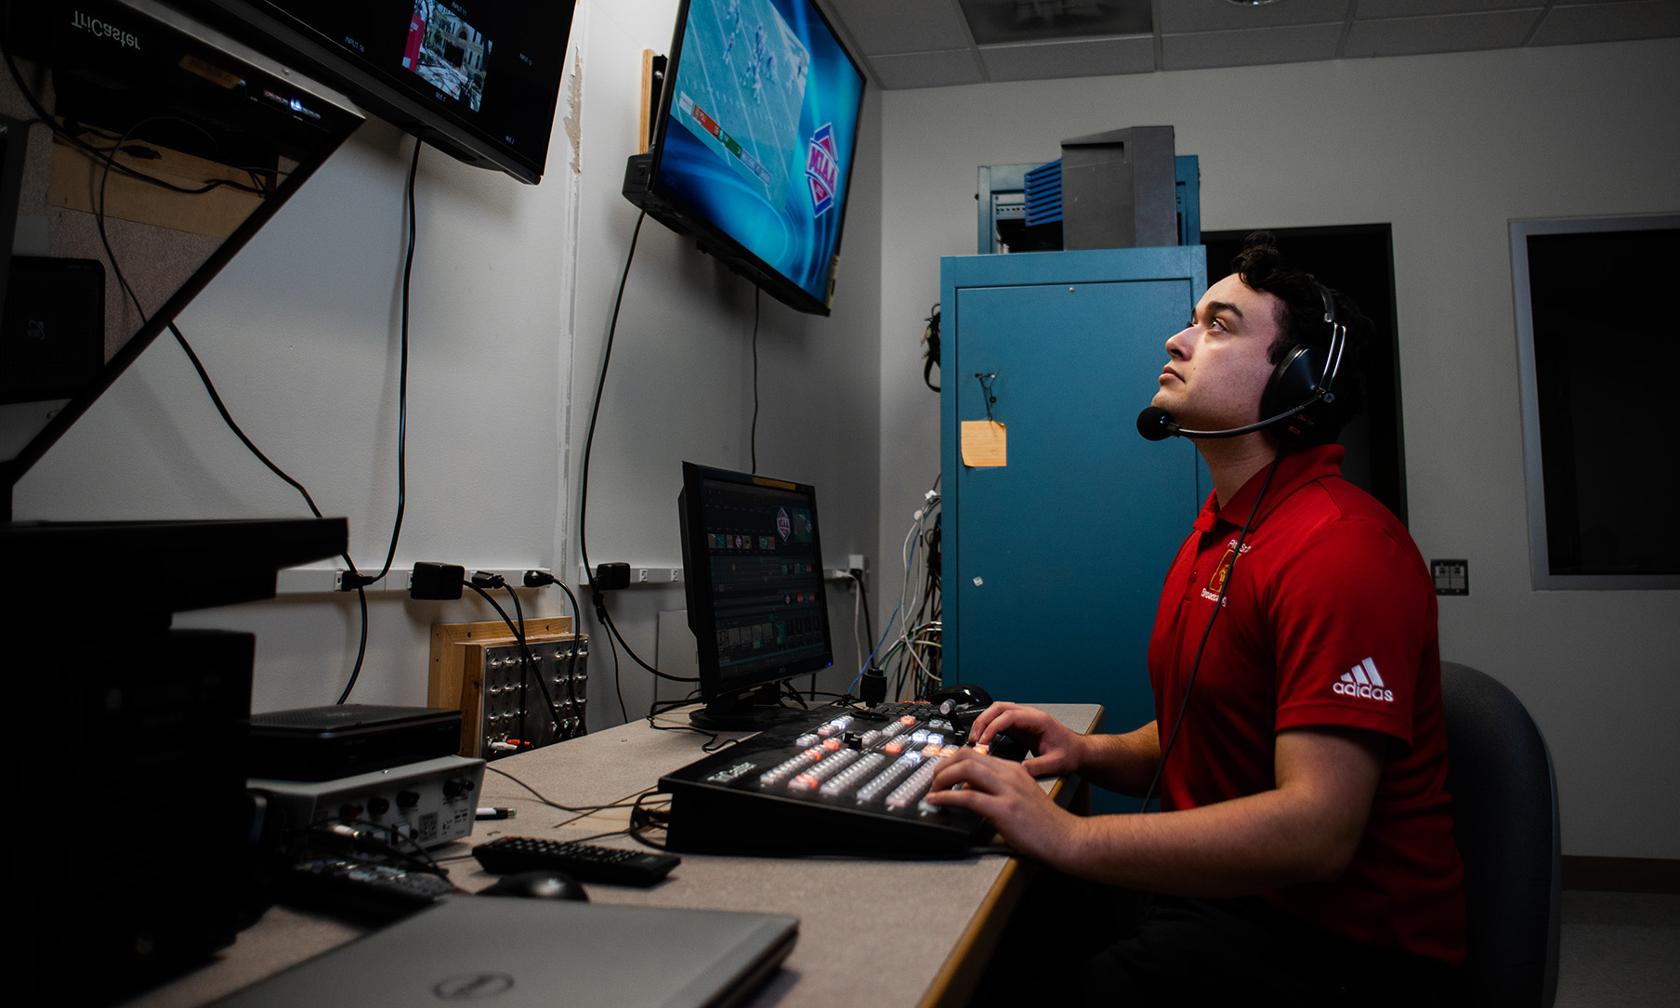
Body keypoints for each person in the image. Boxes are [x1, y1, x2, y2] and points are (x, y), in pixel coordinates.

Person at [925, 233, 1465, 1004]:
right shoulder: (1225, 528)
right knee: (1009, 937)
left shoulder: (1342, 550)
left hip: (1341, 954)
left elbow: (1317, 831)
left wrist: (1071, 834)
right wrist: (1085, 752)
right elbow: (1208, 733)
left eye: (1218, 325)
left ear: (1298, 382)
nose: (1176, 338)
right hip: (1233, 904)